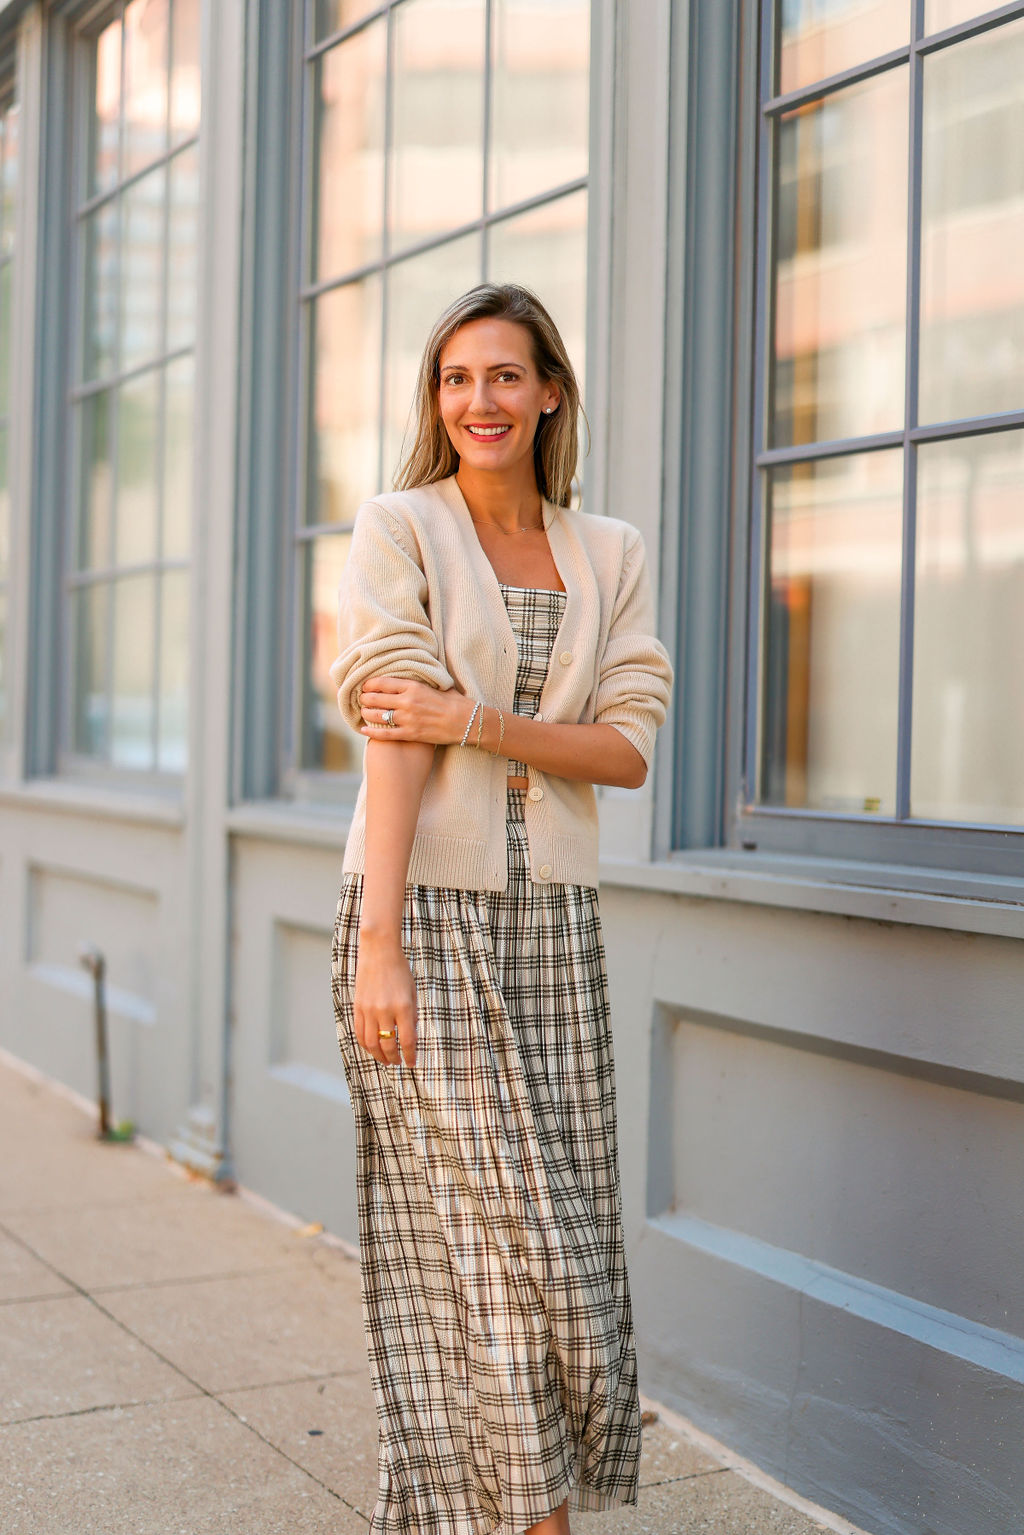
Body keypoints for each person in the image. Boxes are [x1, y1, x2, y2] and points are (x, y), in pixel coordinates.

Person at [329, 282, 673, 1535]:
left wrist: (476, 718)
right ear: (438, 399)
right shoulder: (398, 528)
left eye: (505, 376)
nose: (479, 400)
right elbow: (389, 731)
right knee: (488, 1245)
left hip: (555, 927)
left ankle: (503, 1510)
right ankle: (533, 1520)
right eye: (456, 378)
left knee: (562, 1246)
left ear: (550, 393)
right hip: (418, 917)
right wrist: (378, 943)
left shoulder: (611, 551)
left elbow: (627, 749)